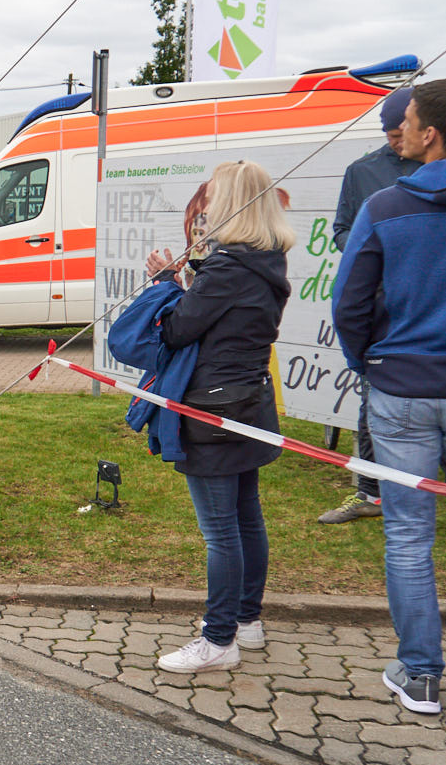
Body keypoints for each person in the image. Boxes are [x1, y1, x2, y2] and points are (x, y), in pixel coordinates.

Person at [332, 79, 446, 715]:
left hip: (401, 388)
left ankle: (422, 674)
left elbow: (348, 303)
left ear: (430, 134)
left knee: (409, 536)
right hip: (406, 383)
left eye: (405, 120)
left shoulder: (384, 206)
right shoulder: (381, 199)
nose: (397, 129)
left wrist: (368, 364)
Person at [145, 160, 293, 674]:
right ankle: (246, 620)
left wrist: (165, 283)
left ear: (230, 203)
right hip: (248, 402)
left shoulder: (229, 268)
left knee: (221, 532)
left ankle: (218, 639)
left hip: (213, 410)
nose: (205, 206)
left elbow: (176, 330)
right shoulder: (266, 261)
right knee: (247, 517)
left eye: (212, 197)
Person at [319, 87, 423, 526]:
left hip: (430, 307)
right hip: (383, 310)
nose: (398, 143)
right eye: (391, 136)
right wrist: (372, 249)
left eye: (403, 134)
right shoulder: (361, 172)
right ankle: (369, 492)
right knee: (370, 404)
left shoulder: (440, 167)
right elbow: (342, 230)